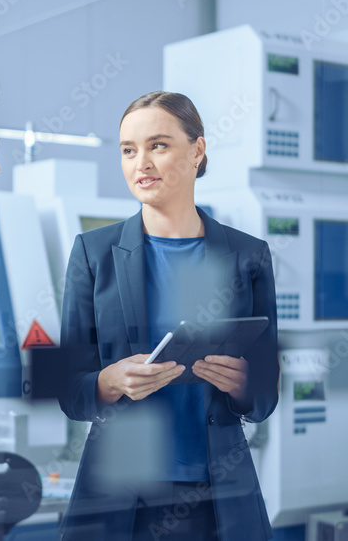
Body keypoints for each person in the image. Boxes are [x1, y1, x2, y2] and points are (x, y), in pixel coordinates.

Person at [56, 91, 279, 541]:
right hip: (121, 498)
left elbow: (266, 389)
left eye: (158, 145)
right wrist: (110, 381)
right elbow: (68, 389)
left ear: (197, 151)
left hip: (217, 497)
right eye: (128, 150)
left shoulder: (247, 256)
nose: (142, 163)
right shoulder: (94, 255)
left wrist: (242, 384)